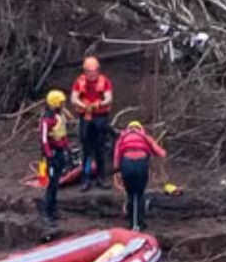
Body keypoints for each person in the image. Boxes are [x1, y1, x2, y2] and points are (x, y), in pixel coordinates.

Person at [111, 120, 167, 232]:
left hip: (127, 165)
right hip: (141, 165)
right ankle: (139, 225)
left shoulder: (122, 138)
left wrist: (116, 169)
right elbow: (162, 153)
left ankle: (132, 223)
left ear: (128, 128)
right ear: (140, 128)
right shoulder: (145, 137)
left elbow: (117, 155)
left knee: (131, 194)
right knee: (140, 194)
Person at [70, 55, 115, 190]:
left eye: (94, 71)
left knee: (100, 149)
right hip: (86, 117)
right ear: (85, 71)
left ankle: (102, 178)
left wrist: (98, 104)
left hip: (100, 117)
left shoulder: (104, 81)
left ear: (98, 70)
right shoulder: (80, 81)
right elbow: (73, 98)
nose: (92, 74)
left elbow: (108, 98)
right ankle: (86, 179)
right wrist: (85, 106)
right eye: (89, 71)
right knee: (87, 151)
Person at [38, 89, 75, 232]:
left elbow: (63, 135)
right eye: (61, 103)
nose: (63, 105)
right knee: (51, 184)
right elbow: (44, 139)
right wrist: (49, 155)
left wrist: (67, 149)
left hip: (59, 153)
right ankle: (48, 213)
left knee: (56, 183)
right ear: (54, 103)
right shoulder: (47, 119)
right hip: (51, 155)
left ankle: (53, 210)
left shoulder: (59, 117)